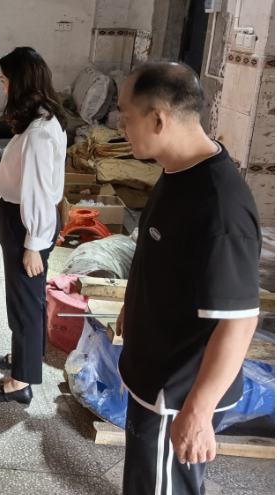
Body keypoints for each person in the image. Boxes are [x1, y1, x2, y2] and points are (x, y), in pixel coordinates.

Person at [114, 62, 261, 495]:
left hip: (178, 392)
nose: (120, 126)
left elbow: (239, 321)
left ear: (158, 119)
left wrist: (198, 411)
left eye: (125, 115)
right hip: (155, 372)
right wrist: (133, 306)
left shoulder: (219, 208)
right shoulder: (178, 170)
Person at [0, 47, 66, 405]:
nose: (2, 87)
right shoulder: (39, 119)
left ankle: (20, 381)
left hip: (28, 223)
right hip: (24, 219)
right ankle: (24, 357)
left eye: (4, 81)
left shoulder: (40, 131)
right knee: (27, 297)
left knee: (24, 300)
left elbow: (41, 192)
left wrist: (35, 243)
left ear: (20, 82)